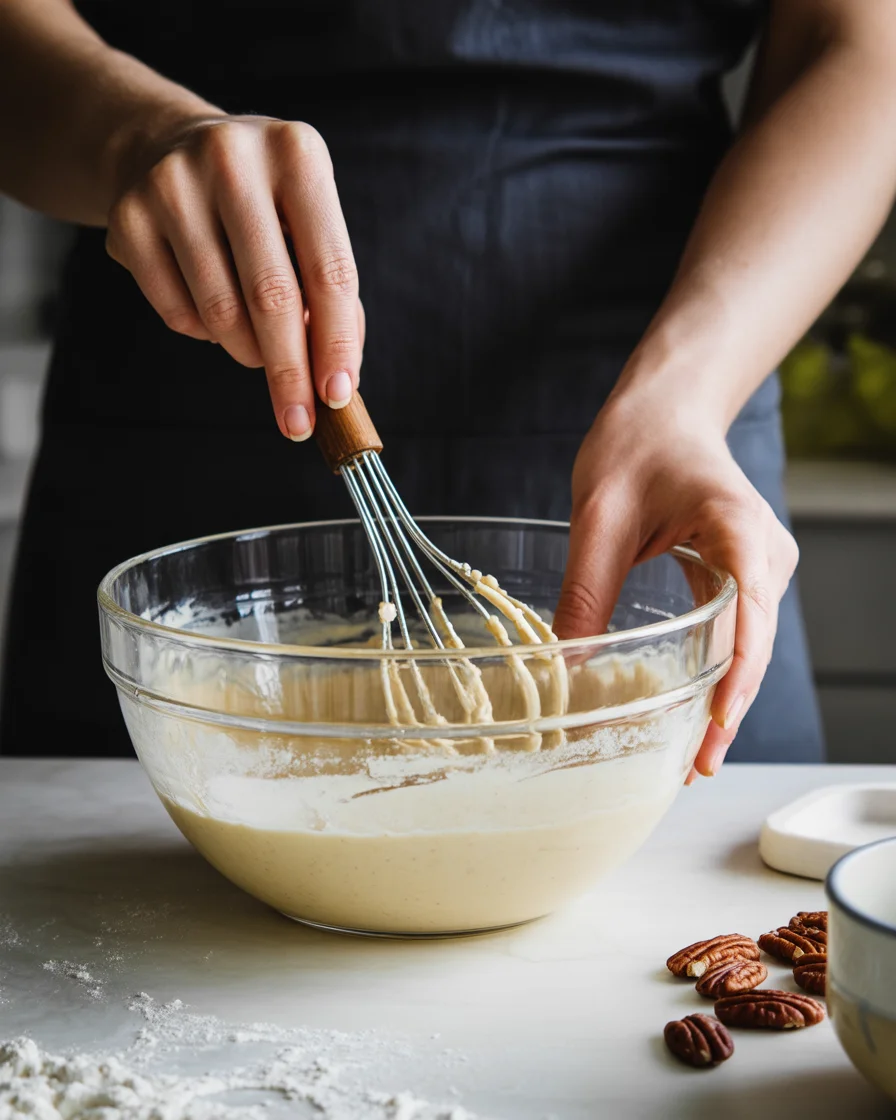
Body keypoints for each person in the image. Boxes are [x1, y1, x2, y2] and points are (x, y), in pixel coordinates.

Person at [1, 0, 891, 771]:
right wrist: (134, 138)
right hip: (184, 414)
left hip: (672, 415)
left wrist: (689, 393)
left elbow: (856, 48)